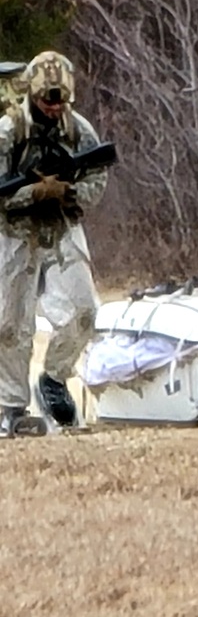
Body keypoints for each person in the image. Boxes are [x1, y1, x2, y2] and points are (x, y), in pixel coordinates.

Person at [0, 51, 109, 436]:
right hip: (14, 231)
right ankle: (12, 407)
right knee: (11, 324)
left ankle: (55, 378)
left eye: (60, 100)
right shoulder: (8, 132)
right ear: (32, 94)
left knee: (84, 312)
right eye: (47, 100)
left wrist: (68, 192)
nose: (53, 107)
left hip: (61, 225)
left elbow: (98, 176)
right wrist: (33, 193)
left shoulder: (79, 130)